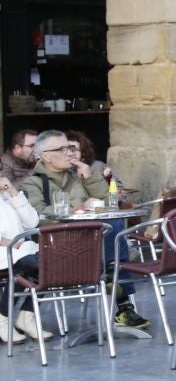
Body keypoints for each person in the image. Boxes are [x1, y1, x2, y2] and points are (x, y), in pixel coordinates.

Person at [21, 130, 150, 330]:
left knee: (112, 225)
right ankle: (120, 297)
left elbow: (111, 204)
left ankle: (113, 279)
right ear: (45, 156)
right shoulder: (33, 182)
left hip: (92, 243)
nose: (69, 153)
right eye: (62, 149)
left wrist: (90, 178)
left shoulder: (80, 174)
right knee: (112, 234)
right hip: (59, 246)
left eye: (70, 148)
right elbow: (35, 217)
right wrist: (76, 210)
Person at [0, 173, 43, 344]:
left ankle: (28, 315)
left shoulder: (6, 195)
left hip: (19, 248)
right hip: (8, 249)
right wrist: (10, 242)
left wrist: (12, 192)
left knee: (48, 262)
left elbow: (32, 222)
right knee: (25, 263)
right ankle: (2, 318)